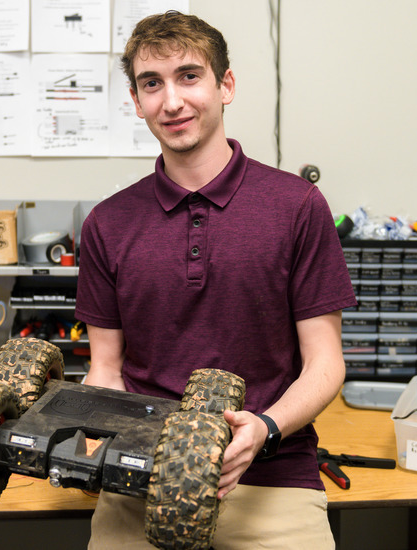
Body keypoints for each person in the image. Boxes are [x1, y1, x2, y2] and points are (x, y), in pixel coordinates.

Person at [74, 10, 356, 550]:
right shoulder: (107, 224)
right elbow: (105, 370)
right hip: (142, 484)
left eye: (188, 76)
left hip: (272, 480)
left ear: (225, 84)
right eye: (151, 84)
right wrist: (89, 442)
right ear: (136, 102)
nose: (172, 101)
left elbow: (326, 362)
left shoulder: (296, 206)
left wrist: (266, 430)